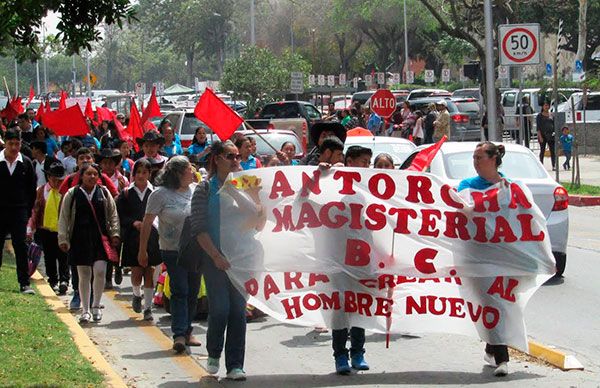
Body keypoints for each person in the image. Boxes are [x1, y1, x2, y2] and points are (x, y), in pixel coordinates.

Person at [191, 140, 266, 380]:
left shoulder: (245, 185)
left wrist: (255, 197)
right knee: (220, 309)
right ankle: (214, 353)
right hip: (214, 259)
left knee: (237, 311)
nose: (236, 160)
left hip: (241, 260)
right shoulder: (204, 190)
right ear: (217, 159)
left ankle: (235, 364)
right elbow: (198, 228)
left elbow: (259, 221)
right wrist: (215, 255)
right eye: (230, 156)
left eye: (238, 156)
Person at [456, 141, 509, 377]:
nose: (475, 162)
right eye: (474, 158)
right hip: (475, 255)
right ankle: (502, 358)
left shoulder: (509, 186)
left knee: (501, 304)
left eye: (480, 157)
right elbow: (459, 211)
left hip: (502, 255)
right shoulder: (467, 186)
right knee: (490, 303)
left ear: (493, 160)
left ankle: (491, 348)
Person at [139, 156, 200, 353]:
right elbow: (147, 223)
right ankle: (179, 334)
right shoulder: (160, 195)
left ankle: (188, 329)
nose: (193, 172)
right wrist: (142, 250)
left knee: (192, 290)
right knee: (180, 289)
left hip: (195, 250)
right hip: (171, 250)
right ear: (179, 173)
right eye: (190, 169)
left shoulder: (195, 191)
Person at [58, 163, 120, 324]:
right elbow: (64, 217)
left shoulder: (104, 193)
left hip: (100, 239)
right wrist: (63, 238)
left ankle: (96, 305)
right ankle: (85, 310)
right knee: (83, 274)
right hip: (79, 239)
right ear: (81, 176)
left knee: (100, 271)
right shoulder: (72, 194)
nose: (92, 177)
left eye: (95, 174)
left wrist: (115, 233)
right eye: (88, 174)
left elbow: (113, 215)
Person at [117, 159, 160, 321]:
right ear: (133, 174)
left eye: (145, 172)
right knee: (136, 271)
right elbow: (120, 215)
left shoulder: (155, 192)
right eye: (138, 172)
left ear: (149, 174)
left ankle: (148, 308)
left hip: (152, 237)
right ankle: (136, 294)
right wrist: (133, 223)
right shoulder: (127, 193)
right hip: (133, 237)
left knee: (149, 271)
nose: (141, 175)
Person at [0, 128, 37, 294]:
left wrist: (27, 212)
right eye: (10, 144)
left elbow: (31, 190)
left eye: (17, 144)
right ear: (5, 143)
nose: (14, 147)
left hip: (19, 211)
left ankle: (24, 282)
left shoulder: (26, 163)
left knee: (20, 246)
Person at [28, 162, 69, 294]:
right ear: (48, 177)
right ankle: (53, 280)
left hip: (62, 229)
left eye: (60, 180)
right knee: (49, 256)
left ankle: (64, 280)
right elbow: (34, 211)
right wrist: (30, 228)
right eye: (54, 179)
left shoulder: (66, 193)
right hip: (45, 229)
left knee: (63, 255)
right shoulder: (40, 191)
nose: (57, 182)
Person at [536, 102, 556, 170]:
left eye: (548, 105)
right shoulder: (539, 116)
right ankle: (541, 165)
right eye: (545, 105)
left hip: (551, 135)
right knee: (542, 151)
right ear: (543, 107)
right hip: (542, 135)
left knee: (552, 151)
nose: (547, 107)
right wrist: (540, 136)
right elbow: (538, 128)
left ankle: (554, 165)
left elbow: (554, 125)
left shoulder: (551, 115)